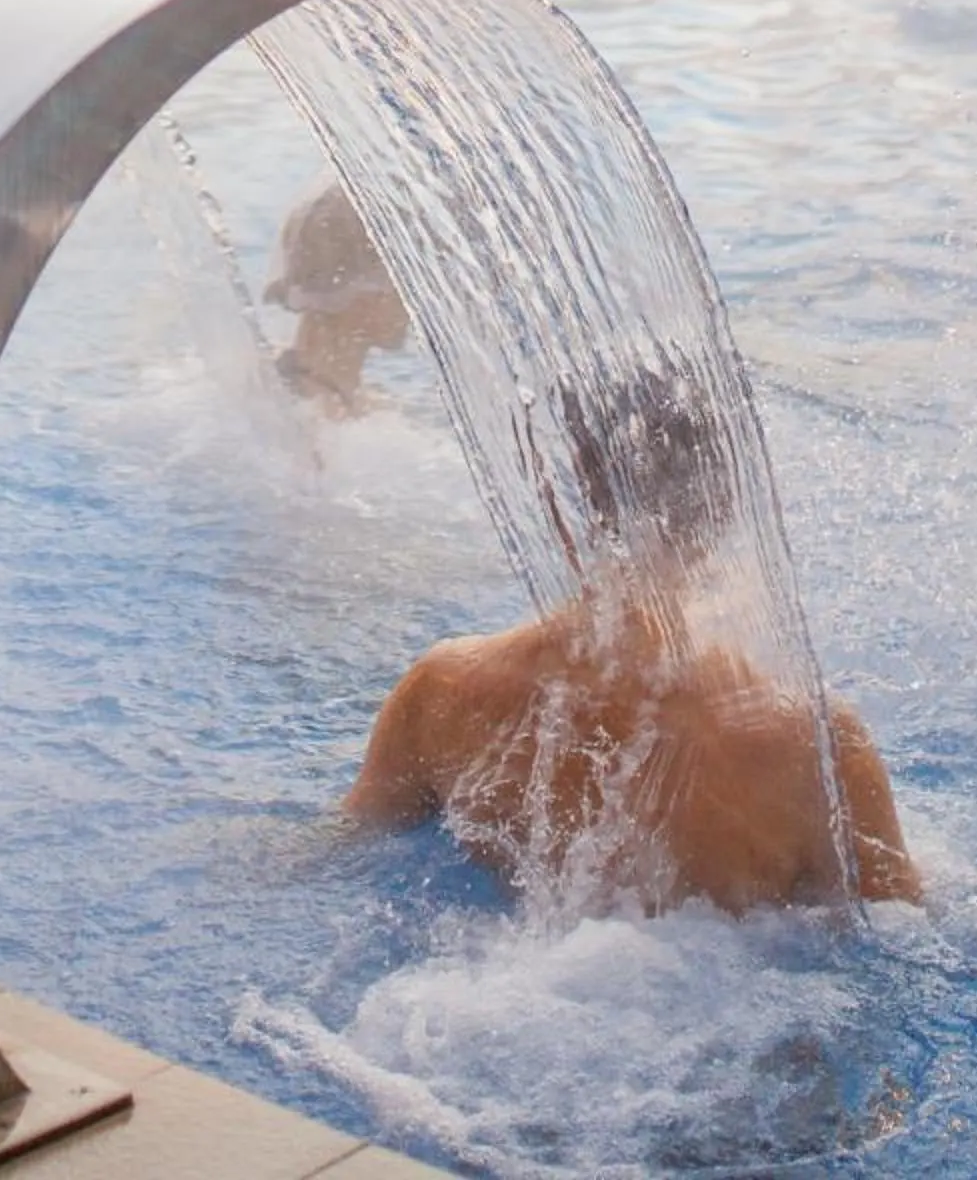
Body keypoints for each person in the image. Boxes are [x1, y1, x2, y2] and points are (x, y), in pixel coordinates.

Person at [344, 366, 919, 914]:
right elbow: (900, 928)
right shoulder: (813, 748)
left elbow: (348, 851)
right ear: (721, 517)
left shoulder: (441, 689)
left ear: (563, 510)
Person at [263, 174, 411, 416]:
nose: (415, 305)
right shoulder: (314, 422)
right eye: (406, 282)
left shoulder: (354, 402)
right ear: (360, 292)